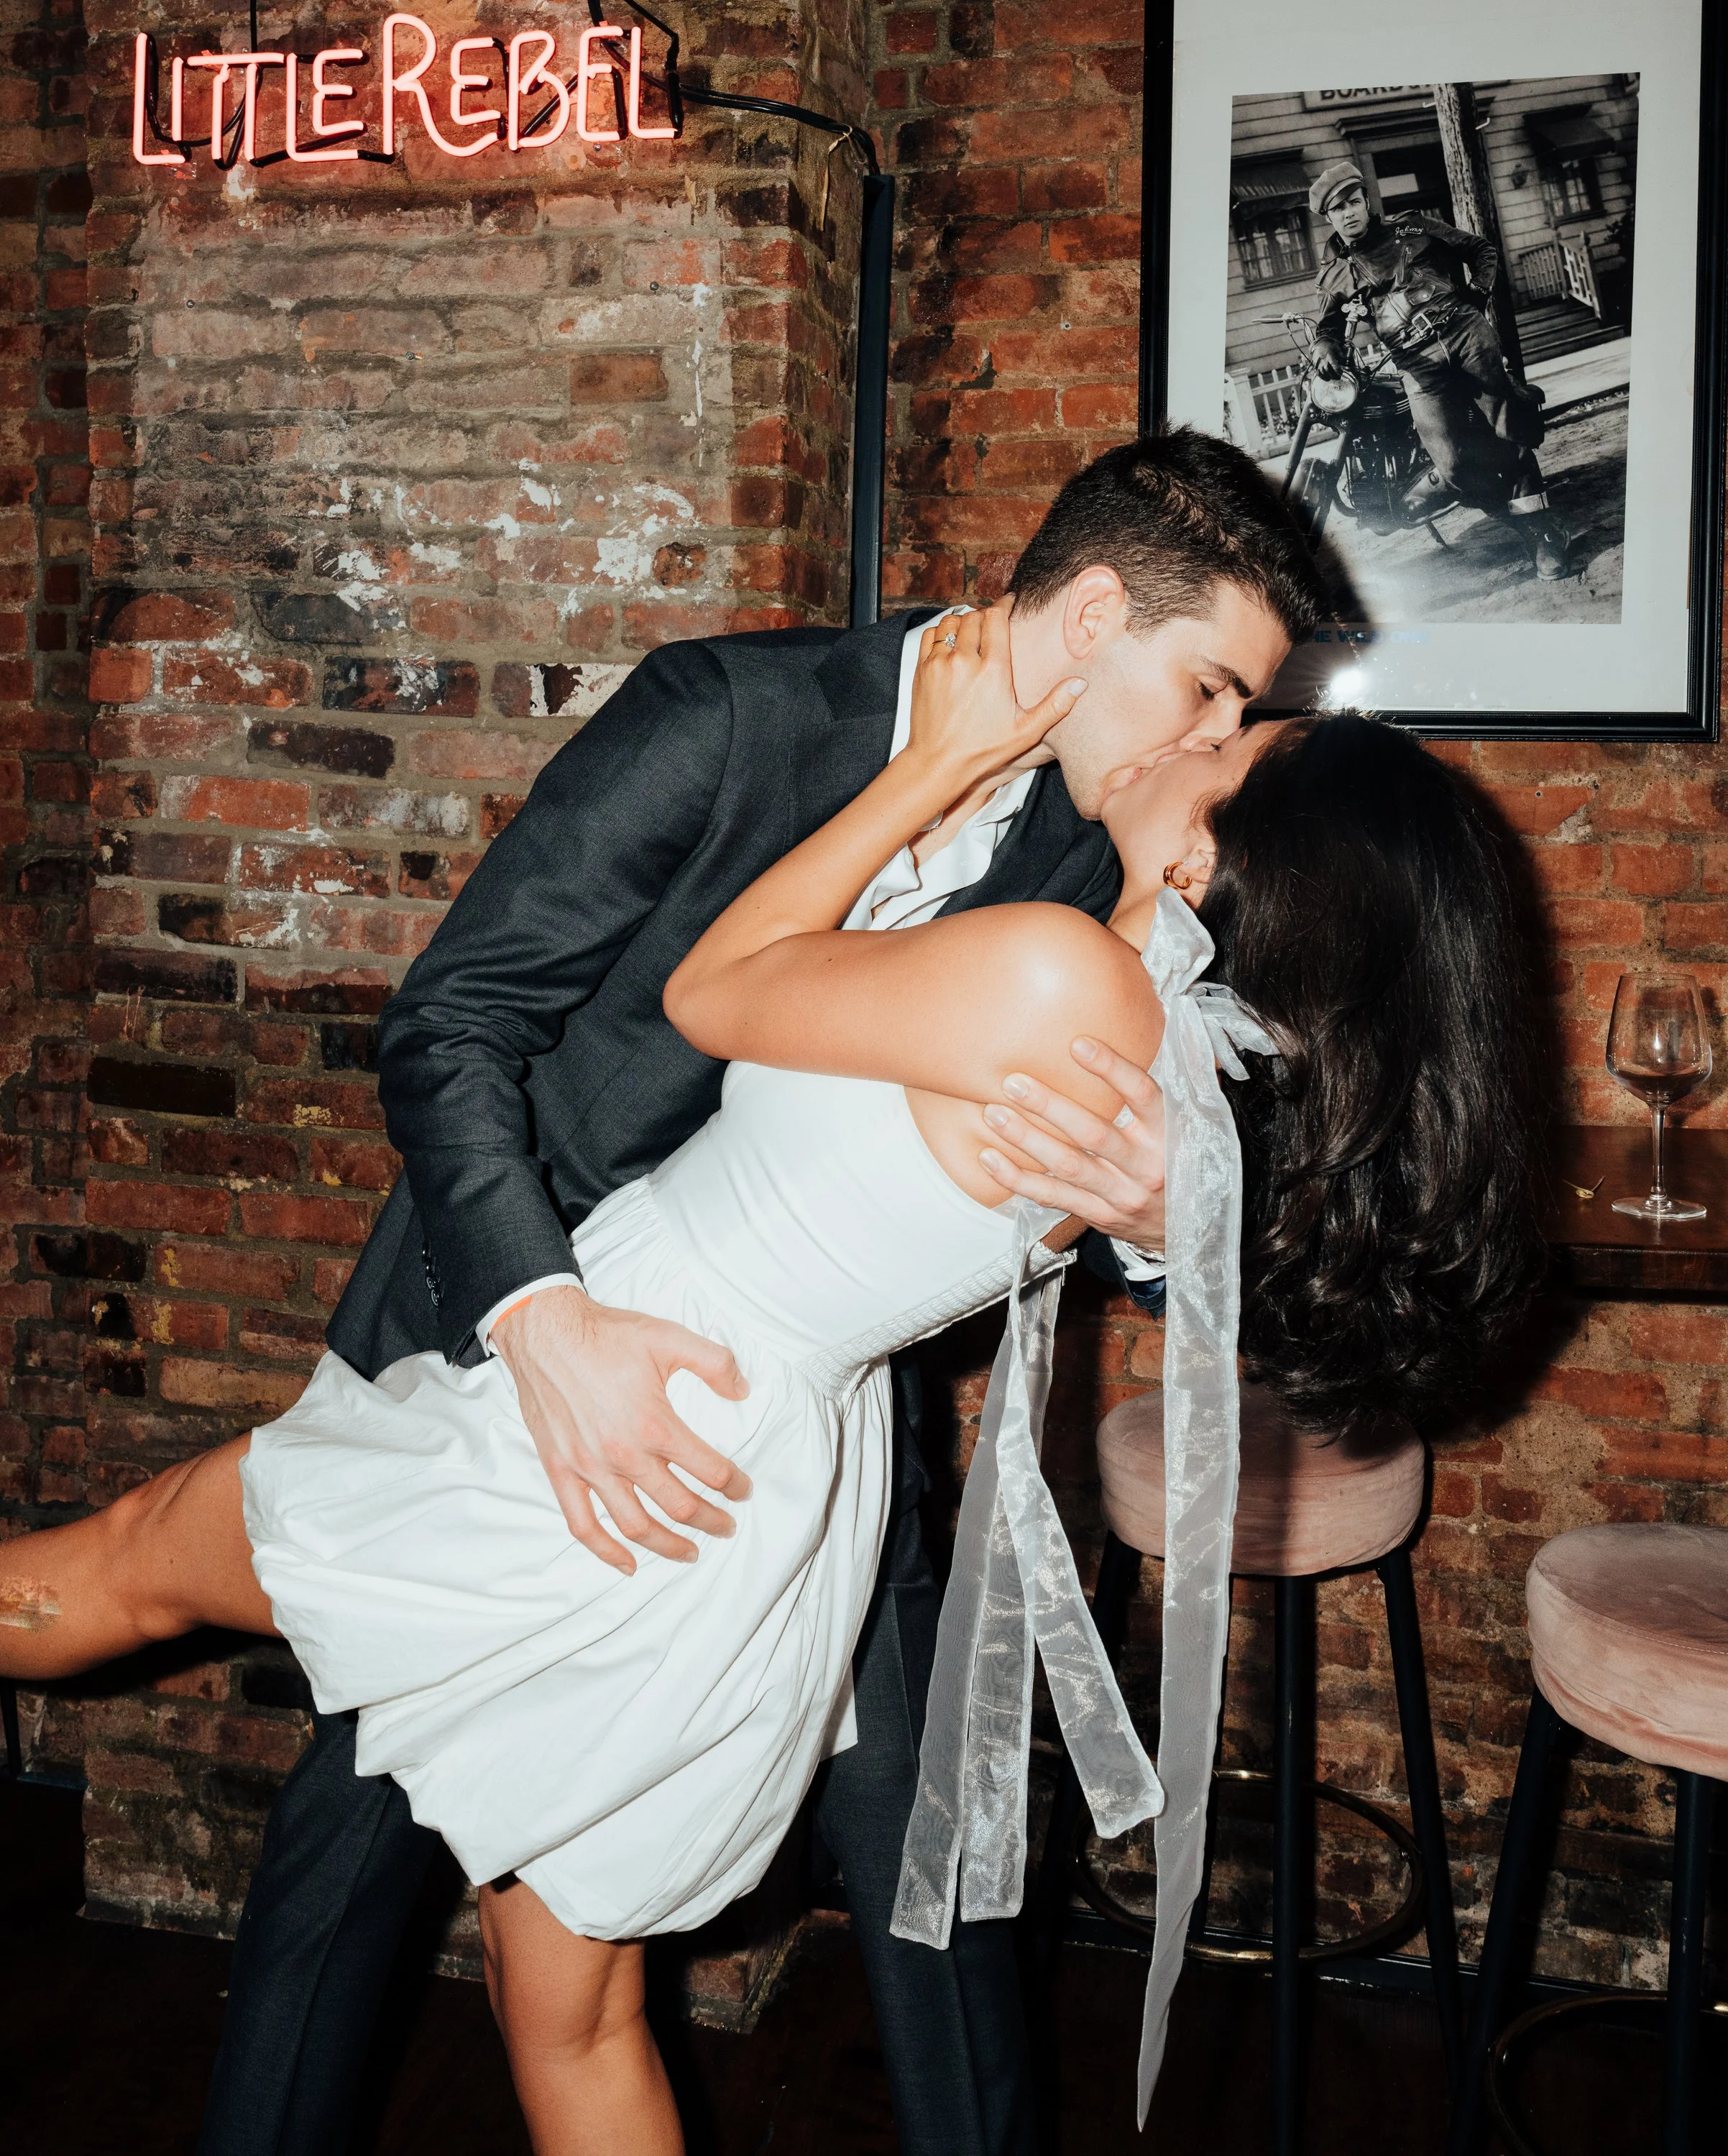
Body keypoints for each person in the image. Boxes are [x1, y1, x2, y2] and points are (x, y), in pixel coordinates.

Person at [0, 623, 1540, 2154]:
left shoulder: (1060, 977)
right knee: (565, 2010)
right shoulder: (1183, 1070)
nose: (1200, 732)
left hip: (626, 1409)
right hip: (741, 1467)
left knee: (128, 1564)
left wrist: (925, 767)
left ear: (1207, 861)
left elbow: (718, 994)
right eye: (1216, 696)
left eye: (1233, 739)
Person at [185, 426, 1326, 2156]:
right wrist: (542, 1323)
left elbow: (1128, 1149)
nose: (1217, 744)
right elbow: (453, 1024)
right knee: (354, 1845)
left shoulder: (1115, 847)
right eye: (1211, 687)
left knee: (937, 1865)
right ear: (1093, 612)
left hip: (818, 1419)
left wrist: (1166, 1217)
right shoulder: (729, 713)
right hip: (514, 1354)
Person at [1307, 157, 1573, 579]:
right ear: (1329, 218)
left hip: (1465, 336)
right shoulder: (1336, 271)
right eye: (1339, 209)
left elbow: (1481, 250)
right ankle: (1521, 515)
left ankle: (1542, 536)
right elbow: (1328, 322)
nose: (1349, 213)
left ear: (1365, 201)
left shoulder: (1410, 228)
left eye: (1354, 202)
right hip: (1417, 364)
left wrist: (1477, 296)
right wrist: (1325, 343)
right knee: (1452, 466)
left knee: (1510, 431)